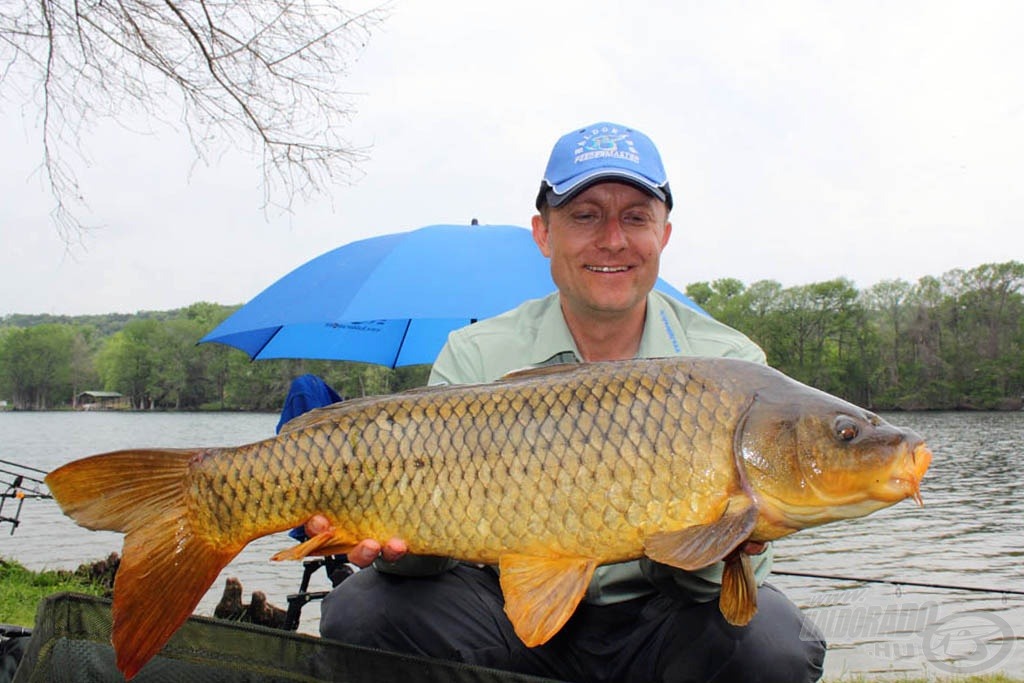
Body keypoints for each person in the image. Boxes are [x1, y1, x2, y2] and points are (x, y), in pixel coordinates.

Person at [308, 122, 826, 682]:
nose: (612, 239)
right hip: (503, 614)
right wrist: (398, 549)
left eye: (635, 217)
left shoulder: (730, 365)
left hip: (661, 621)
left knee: (772, 644)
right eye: (585, 215)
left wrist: (717, 541)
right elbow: (433, 557)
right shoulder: (476, 354)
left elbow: (718, 592)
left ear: (664, 235)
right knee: (364, 610)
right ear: (543, 233)